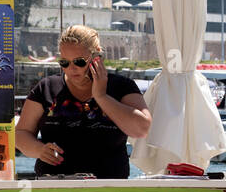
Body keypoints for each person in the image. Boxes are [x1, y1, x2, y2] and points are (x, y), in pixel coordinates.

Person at [16, 25, 152, 178]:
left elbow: (142, 129)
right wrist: (38, 150)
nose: (71, 69)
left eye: (79, 62)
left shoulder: (121, 87)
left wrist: (101, 97)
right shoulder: (46, 88)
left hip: (109, 189)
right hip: (54, 189)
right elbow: (21, 133)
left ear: (96, 57)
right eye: (64, 63)